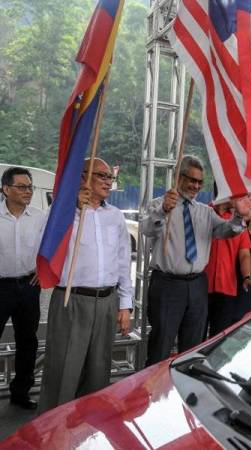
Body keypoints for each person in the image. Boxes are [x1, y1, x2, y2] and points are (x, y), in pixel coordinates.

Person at [38, 158, 132, 413]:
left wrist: (125, 305)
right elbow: (41, 242)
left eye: (110, 177)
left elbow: (123, 262)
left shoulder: (115, 216)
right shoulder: (62, 212)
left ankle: (90, 429)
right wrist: (69, 208)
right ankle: (53, 431)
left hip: (106, 302)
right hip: (72, 300)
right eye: (102, 176)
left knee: (98, 373)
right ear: (82, 177)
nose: (108, 182)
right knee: (63, 372)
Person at [140, 155, 251, 366]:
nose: (195, 186)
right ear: (177, 177)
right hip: (167, 285)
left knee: (192, 347)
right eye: (191, 179)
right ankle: (152, 394)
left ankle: (184, 391)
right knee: (161, 346)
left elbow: (227, 231)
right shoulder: (158, 205)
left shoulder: (205, 212)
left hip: (198, 285)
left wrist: (239, 217)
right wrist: (163, 210)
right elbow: (146, 229)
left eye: (200, 182)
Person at [0, 167, 45, 409]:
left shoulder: (39, 217)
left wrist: (42, 268)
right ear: (5, 189)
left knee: (27, 342)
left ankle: (20, 393)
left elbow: (48, 248)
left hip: (28, 286)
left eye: (30, 187)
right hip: (1, 287)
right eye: (22, 187)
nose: (28, 191)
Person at [205, 200, 251, 337]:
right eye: (237, 196)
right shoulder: (203, 213)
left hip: (226, 288)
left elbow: (245, 253)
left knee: (218, 339)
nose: (240, 200)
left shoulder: (238, 223)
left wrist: (247, 276)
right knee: (194, 337)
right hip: (200, 286)